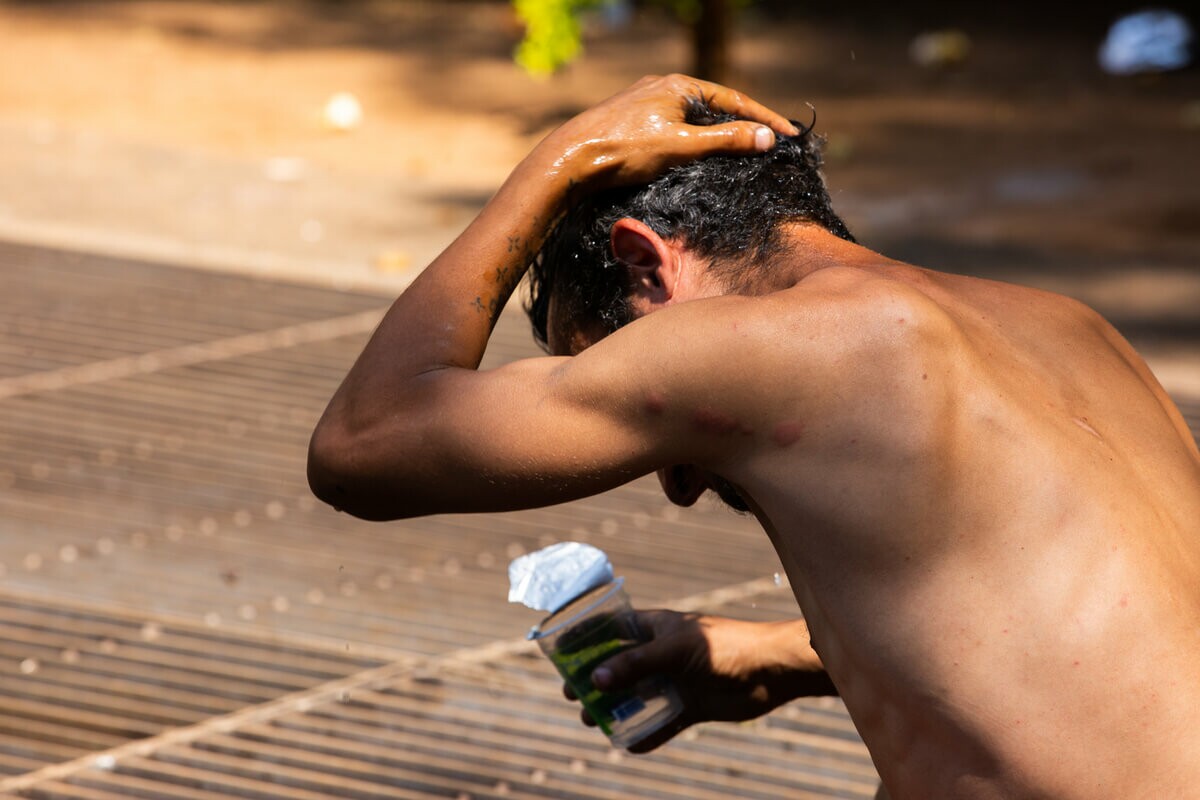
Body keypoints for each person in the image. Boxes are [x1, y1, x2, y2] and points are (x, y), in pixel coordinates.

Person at [308, 75, 1200, 799]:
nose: (678, 487)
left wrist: (557, 162)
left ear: (643, 261)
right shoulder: (1074, 330)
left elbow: (363, 445)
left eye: (599, 356)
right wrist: (773, 655)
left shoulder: (769, 348)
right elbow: (1118, 639)